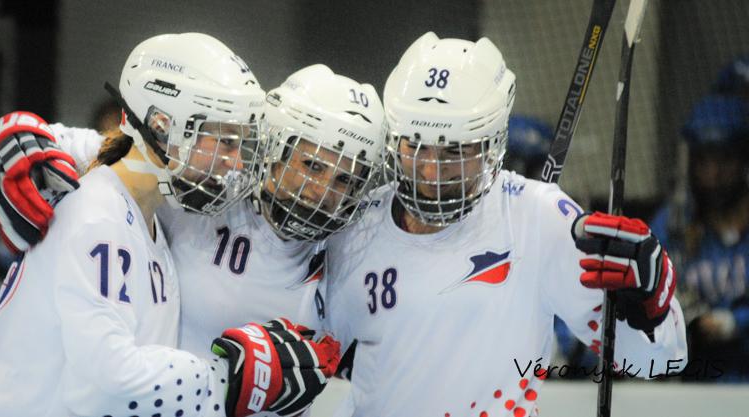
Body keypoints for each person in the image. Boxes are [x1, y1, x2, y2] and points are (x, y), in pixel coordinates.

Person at [0, 33, 340, 417]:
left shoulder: (148, 220)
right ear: (161, 124)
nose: (236, 163)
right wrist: (225, 380)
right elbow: (104, 387)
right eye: (224, 141)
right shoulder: (98, 213)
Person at [317, 32, 687, 417]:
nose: (430, 170)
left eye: (454, 150)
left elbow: (657, 362)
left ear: (491, 144)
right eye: (415, 144)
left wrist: (649, 306)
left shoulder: (537, 219)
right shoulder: (356, 225)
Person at [651, 94, 749, 380]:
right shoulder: (674, 223)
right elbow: (641, 286)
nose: (713, 174)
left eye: (724, 160)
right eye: (703, 161)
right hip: (694, 386)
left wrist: (736, 323)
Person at [504, 115, 553, 180]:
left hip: (535, 159)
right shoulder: (512, 125)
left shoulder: (542, 130)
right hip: (515, 157)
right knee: (517, 165)